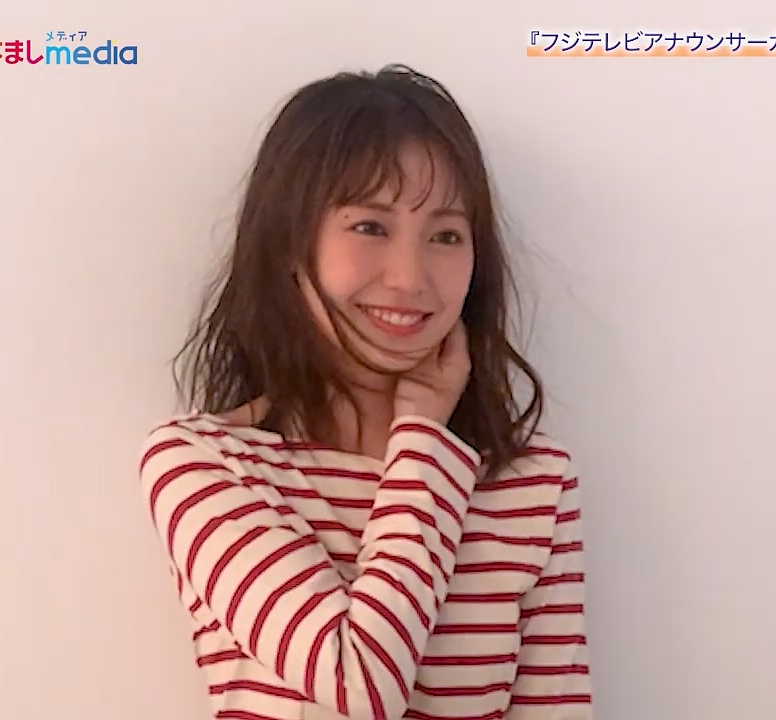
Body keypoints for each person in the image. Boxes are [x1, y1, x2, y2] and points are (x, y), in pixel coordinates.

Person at [136, 64, 592, 720]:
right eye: (370, 227)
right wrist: (424, 444)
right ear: (290, 246)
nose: (410, 278)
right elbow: (360, 685)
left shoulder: (534, 481)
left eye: (445, 235)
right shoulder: (207, 463)